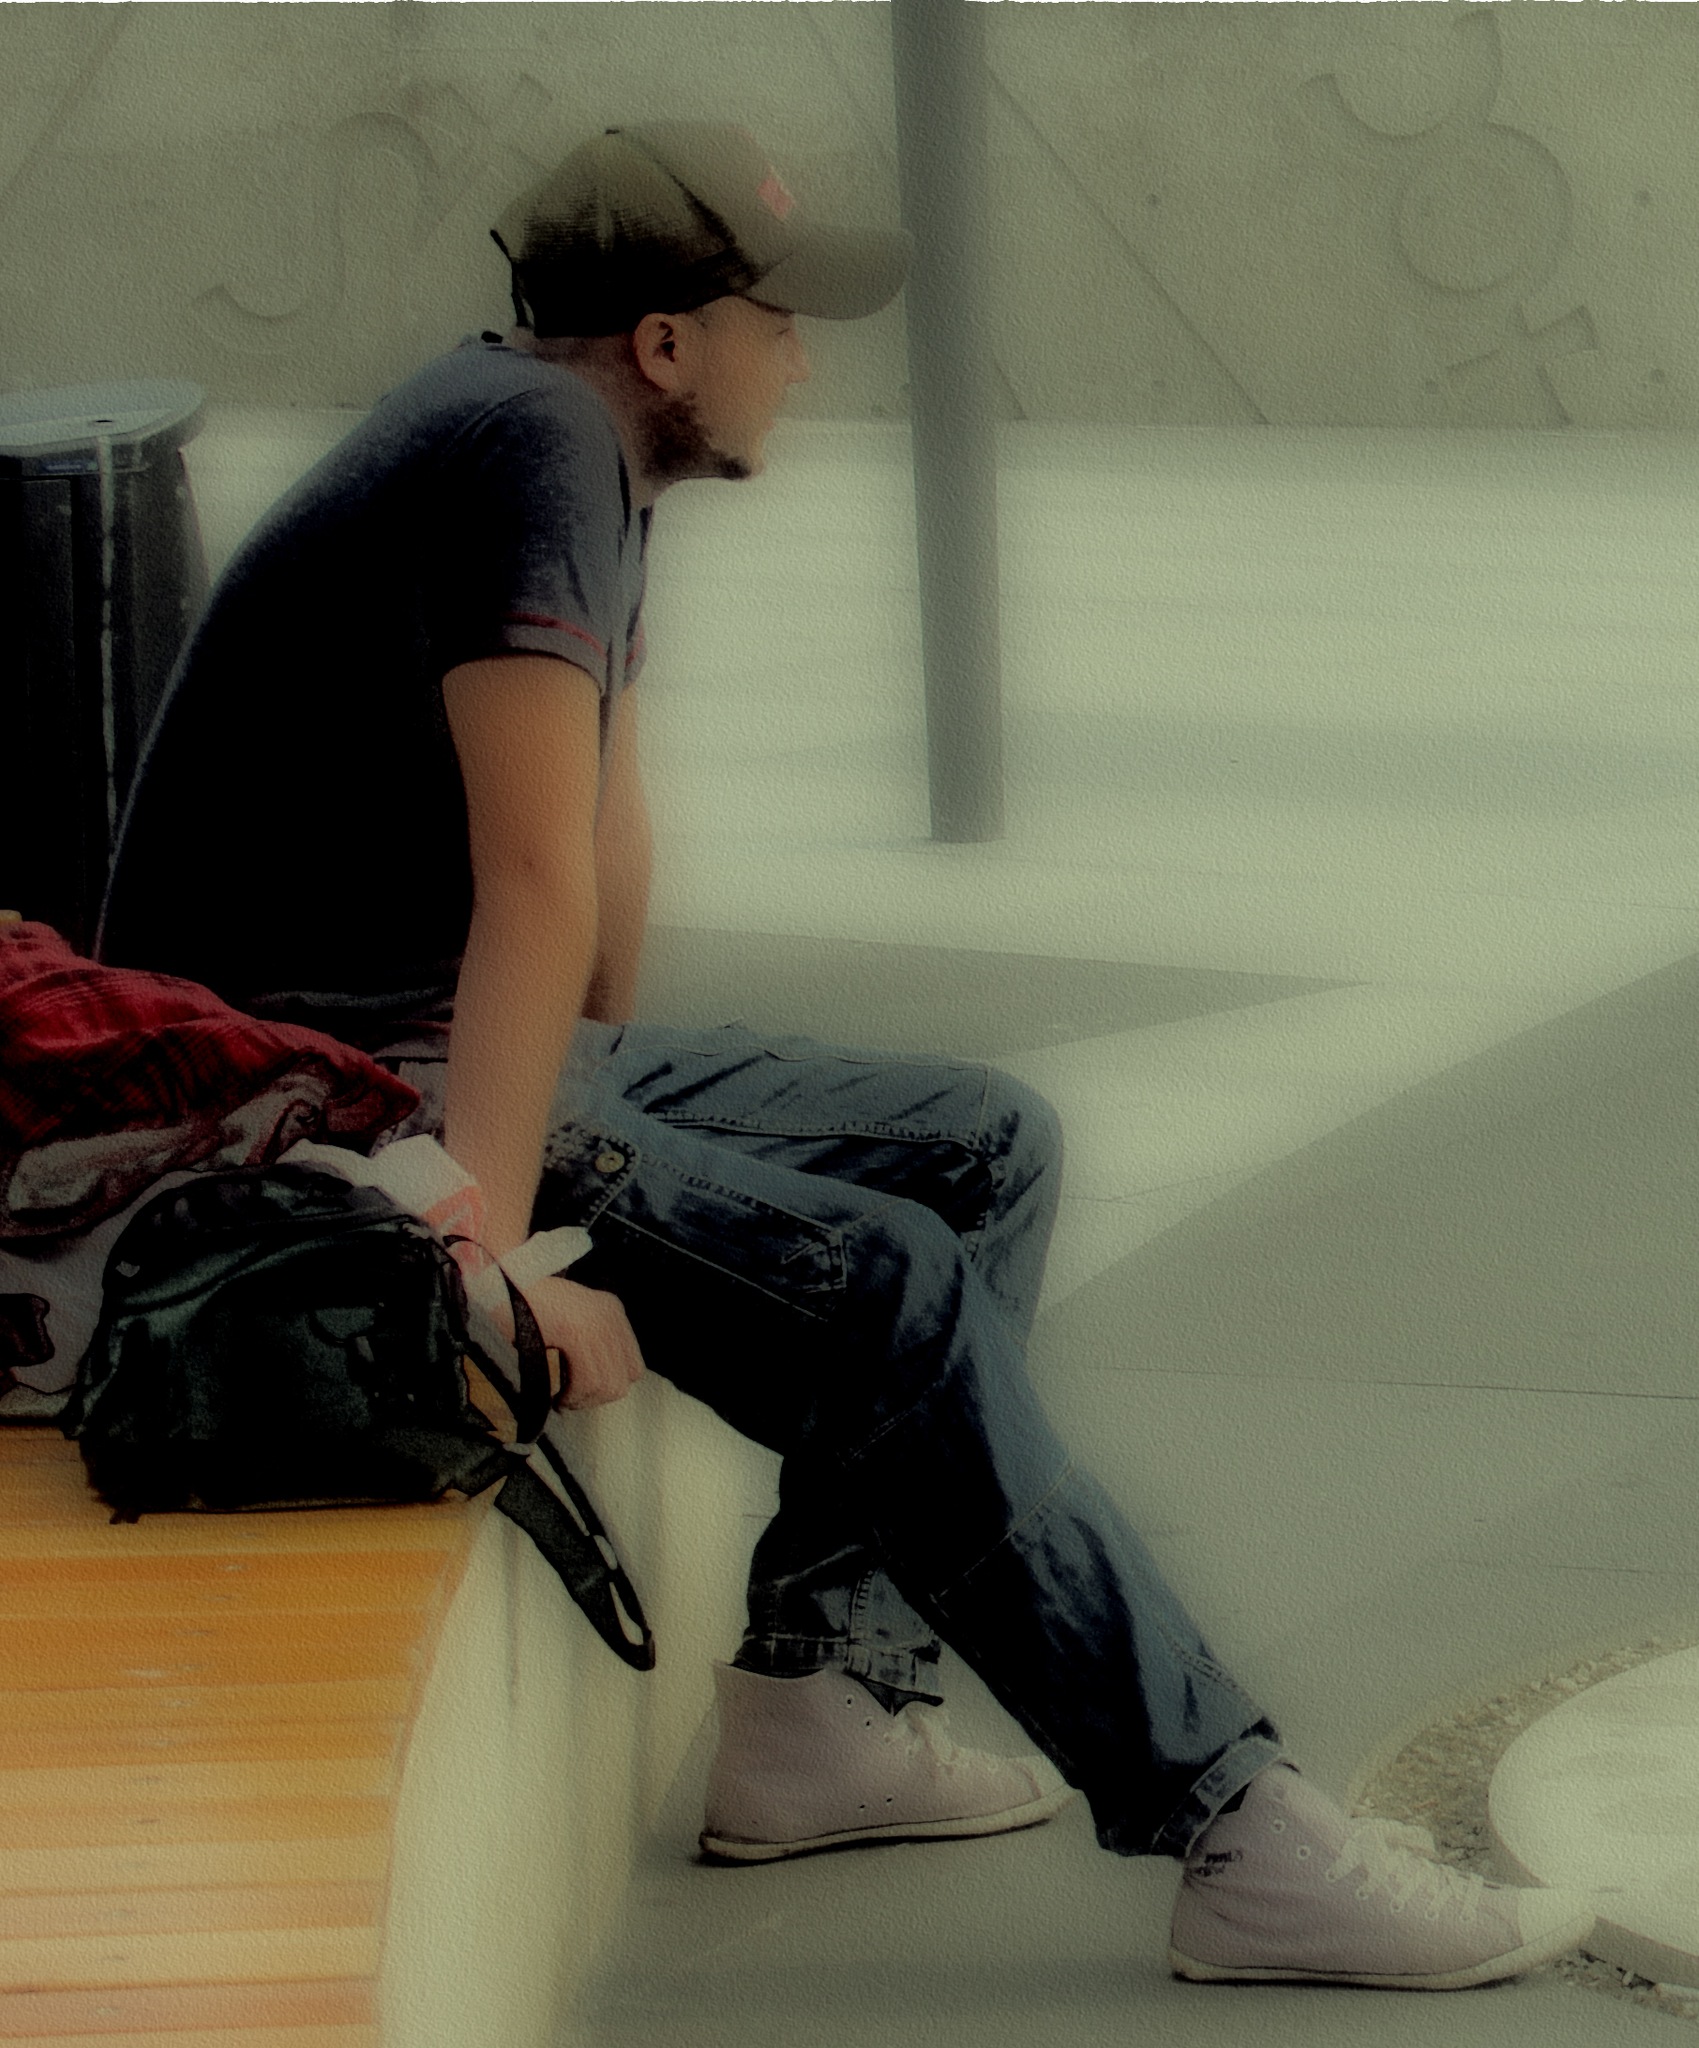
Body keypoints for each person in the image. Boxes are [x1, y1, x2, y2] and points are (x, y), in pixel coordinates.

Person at [99, 121, 1595, 1993]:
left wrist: (631, 1147)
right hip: (318, 1102)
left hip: (419, 1041)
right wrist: (475, 1253)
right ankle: (1235, 1829)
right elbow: (536, 875)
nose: (804, 363)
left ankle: (824, 1708)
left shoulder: (557, 440)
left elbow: (600, 829)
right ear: (665, 344)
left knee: (985, 1144)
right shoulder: (533, 446)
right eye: (778, 321)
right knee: (887, 1285)